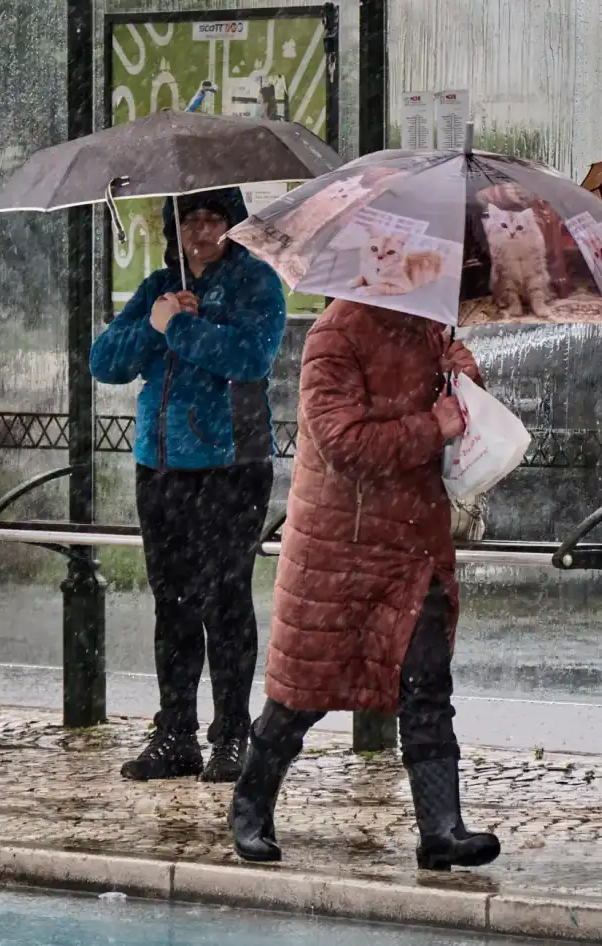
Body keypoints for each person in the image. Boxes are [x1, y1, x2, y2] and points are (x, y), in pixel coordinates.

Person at [228, 300, 500, 872]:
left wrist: (464, 383)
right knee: (301, 692)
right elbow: (341, 444)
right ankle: (251, 805)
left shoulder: (430, 329)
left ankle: (441, 829)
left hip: (414, 545)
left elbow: (457, 432)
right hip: (342, 551)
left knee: (427, 687)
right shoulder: (335, 334)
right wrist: (433, 425)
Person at [90, 188, 286, 784]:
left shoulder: (257, 283)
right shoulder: (158, 285)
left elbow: (250, 357)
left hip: (232, 467)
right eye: (191, 218)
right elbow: (106, 363)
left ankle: (231, 735)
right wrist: (158, 324)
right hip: (161, 466)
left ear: (235, 225)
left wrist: (181, 329)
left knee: (225, 602)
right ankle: (175, 733)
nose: (202, 230)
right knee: (171, 604)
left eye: (215, 218)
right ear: (174, 226)